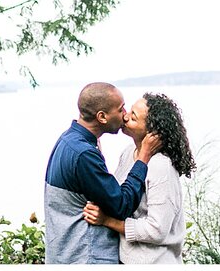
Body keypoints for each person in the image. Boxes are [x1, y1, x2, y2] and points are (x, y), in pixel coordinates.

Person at [44, 82, 163, 264]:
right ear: (102, 117)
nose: (125, 115)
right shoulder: (84, 154)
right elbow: (122, 206)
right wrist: (143, 158)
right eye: (121, 108)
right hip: (87, 257)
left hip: (66, 255)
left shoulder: (68, 140)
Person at [83, 92, 196, 264]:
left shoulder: (160, 166)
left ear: (152, 134)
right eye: (129, 110)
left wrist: (107, 221)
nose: (125, 117)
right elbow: (120, 196)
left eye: (133, 118)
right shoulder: (128, 153)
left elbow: (157, 229)